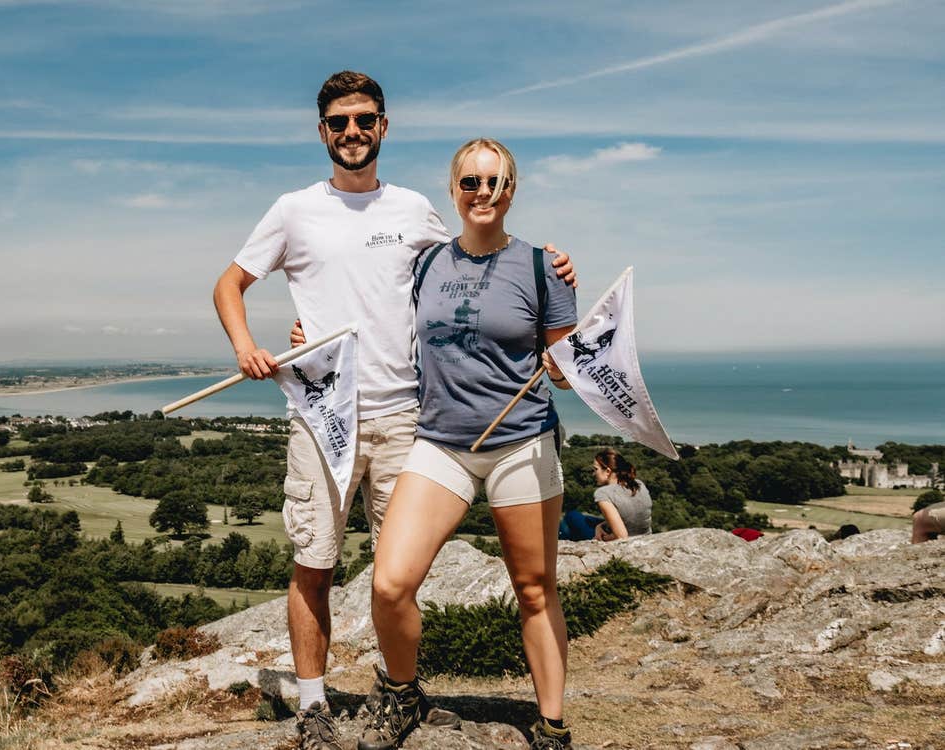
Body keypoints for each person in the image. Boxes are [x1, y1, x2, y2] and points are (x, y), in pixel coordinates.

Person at [212, 72, 576, 750]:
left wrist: (552, 268)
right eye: (340, 122)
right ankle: (315, 705)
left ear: (384, 127)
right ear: (323, 131)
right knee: (313, 562)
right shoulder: (293, 210)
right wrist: (249, 348)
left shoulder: (415, 212)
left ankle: (397, 690)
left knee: (394, 577)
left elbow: (474, 265)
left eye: (365, 120)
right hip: (325, 415)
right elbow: (230, 283)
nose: (353, 132)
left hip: (411, 416)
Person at [355, 137, 578, 750]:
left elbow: (565, 365)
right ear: (452, 190)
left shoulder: (542, 267)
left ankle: (552, 725)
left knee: (534, 589)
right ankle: (402, 693)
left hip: (520, 443)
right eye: (471, 182)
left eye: (496, 182)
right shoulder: (427, 263)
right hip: (442, 443)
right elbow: (371, 313)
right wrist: (306, 330)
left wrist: (565, 364)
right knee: (390, 582)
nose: (483, 193)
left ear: (512, 190)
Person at [561, 448, 652, 542]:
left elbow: (622, 536)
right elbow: (629, 517)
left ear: (608, 471)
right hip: (644, 536)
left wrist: (599, 537)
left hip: (625, 541)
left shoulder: (603, 493)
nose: (593, 473)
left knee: (571, 516)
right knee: (588, 519)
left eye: (596, 469)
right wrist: (599, 526)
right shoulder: (638, 484)